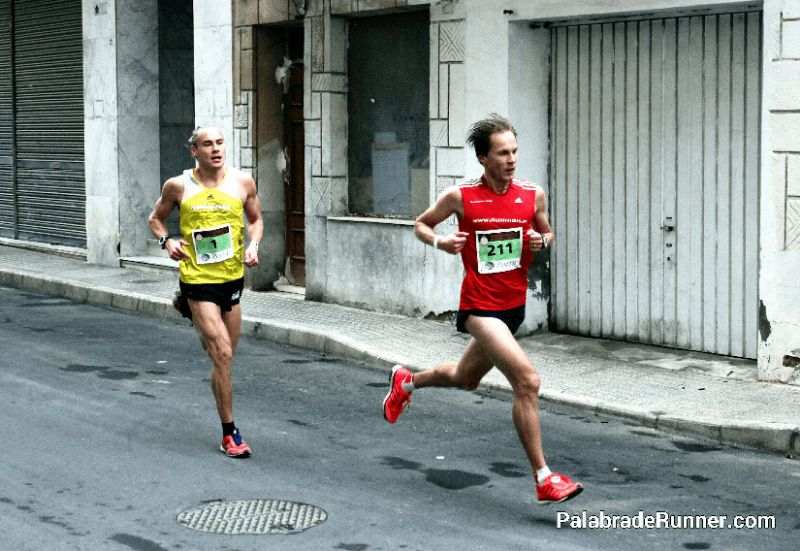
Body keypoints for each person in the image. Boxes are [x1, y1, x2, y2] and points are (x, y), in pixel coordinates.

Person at [383, 114, 583, 504]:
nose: (511, 160)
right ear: (482, 158)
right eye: (502, 153)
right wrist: (441, 243)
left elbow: (547, 231)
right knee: (527, 382)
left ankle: (406, 382)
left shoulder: (532, 194)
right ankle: (544, 477)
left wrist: (543, 241)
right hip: (479, 306)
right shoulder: (461, 197)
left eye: (514, 152)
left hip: (513, 308)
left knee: (465, 377)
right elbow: (421, 224)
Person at [148, 126, 263, 458]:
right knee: (223, 354)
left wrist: (253, 245)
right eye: (207, 144)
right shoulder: (178, 186)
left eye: (220, 143)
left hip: (232, 280)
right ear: (193, 151)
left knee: (224, 360)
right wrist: (166, 241)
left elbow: (256, 220)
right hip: (197, 279)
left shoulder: (243, 183)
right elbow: (155, 218)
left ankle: (187, 309)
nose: (215, 149)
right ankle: (230, 434)